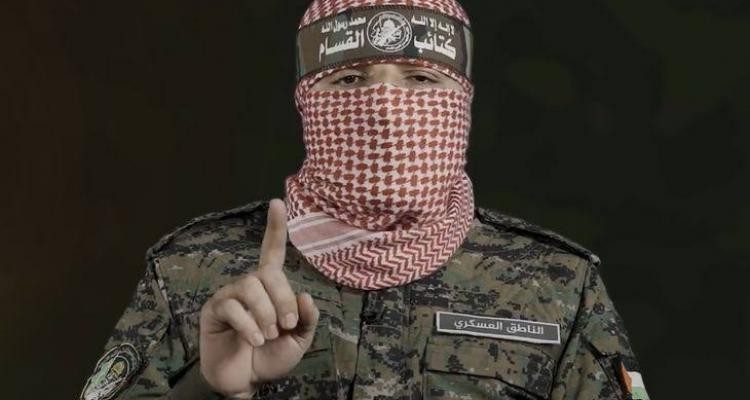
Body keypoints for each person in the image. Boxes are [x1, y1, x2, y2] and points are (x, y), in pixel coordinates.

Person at [79, 0, 650, 399]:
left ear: (463, 101)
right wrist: (209, 390)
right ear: (307, 102)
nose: (384, 107)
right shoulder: (192, 271)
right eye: (349, 80)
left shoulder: (556, 287)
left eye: (421, 79)